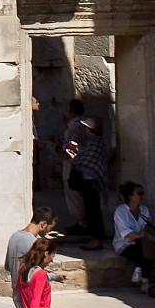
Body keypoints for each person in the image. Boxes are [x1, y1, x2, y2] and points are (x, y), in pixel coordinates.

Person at [60, 101, 109, 243]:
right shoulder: (94, 141)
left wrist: (66, 151)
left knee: (93, 210)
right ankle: (94, 236)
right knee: (91, 208)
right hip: (90, 179)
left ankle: (96, 239)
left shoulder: (94, 143)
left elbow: (78, 156)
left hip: (90, 179)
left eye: (86, 128)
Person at [3, 207, 56, 308]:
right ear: (43, 224)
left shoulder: (14, 236)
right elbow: (37, 278)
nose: (49, 231)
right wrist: (56, 276)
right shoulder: (34, 243)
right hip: (29, 297)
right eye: (50, 228)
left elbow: (7, 266)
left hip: (17, 294)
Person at [111, 182, 155, 286]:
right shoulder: (120, 211)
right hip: (124, 245)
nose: (142, 196)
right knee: (143, 248)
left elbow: (148, 228)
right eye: (139, 193)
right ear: (130, 196)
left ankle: (139, 270)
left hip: (141, 243)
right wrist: (141, 236)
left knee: (146, 249)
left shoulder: (144, 210)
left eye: (142, 193)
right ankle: (145, 279)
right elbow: (126, 233)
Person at [16, 235, 57, 308]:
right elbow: (36, 298)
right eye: (52, 256)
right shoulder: (40, 275)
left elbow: (18, 288)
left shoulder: (23, 267)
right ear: (46, 254)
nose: (52, 260)